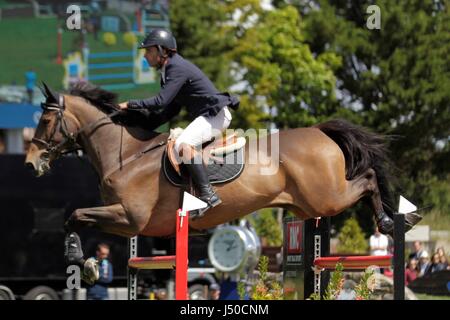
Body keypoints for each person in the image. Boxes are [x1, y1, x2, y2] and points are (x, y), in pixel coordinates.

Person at [118, 29, 239, 219]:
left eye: (149, 51)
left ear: (162, 50)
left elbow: (160, 101)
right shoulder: (167, 71)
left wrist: (130, 104)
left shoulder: (176, 68)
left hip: (215, 114)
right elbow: (170, 110)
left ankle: (208, 195)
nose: (145, 56)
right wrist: (143, 126)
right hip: (208, 115)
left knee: (184, 144)